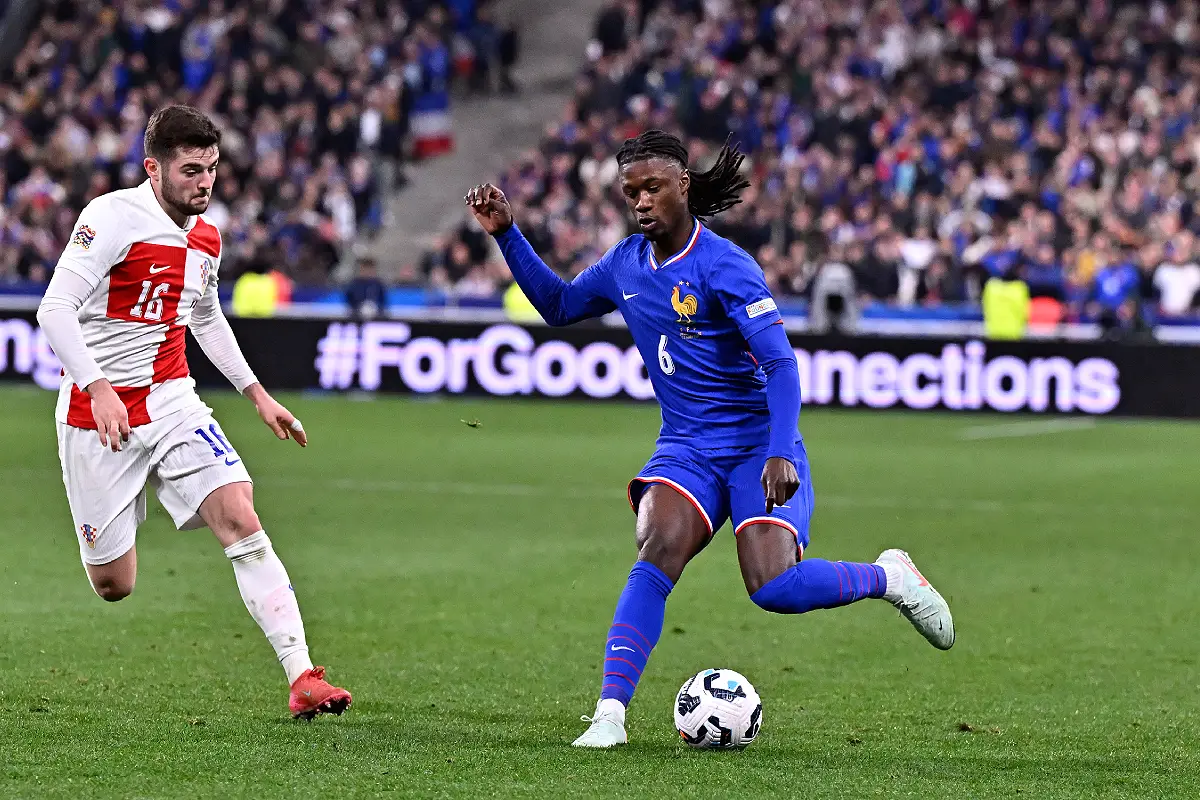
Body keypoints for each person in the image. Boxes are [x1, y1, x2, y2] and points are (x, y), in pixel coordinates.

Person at [465, 130, 955, 749]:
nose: (640, 201)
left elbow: (779, 364)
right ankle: (609, 717)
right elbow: (560, 306)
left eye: (652, 187)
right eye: (630, 191)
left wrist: (780, 448)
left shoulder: (725, 265)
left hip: (755, 443)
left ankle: (890, 578)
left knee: (774, 587)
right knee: (657, 547)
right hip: (687, 446)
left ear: (683, 186)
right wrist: (508, 233)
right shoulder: (625, 265)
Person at [35, 105, 352, 720]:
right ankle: (131, 504)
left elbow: (203, 315)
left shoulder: (206, 234)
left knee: (240, 511)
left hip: (173, 399)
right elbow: (54, 310)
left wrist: (256, 394)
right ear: (153, 168)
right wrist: (98, 386)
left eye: (211, 169)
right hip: (95, 416)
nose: (204, 182)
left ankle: (303, 676)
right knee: (113, 585)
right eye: (189, 170)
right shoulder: (110, 218)